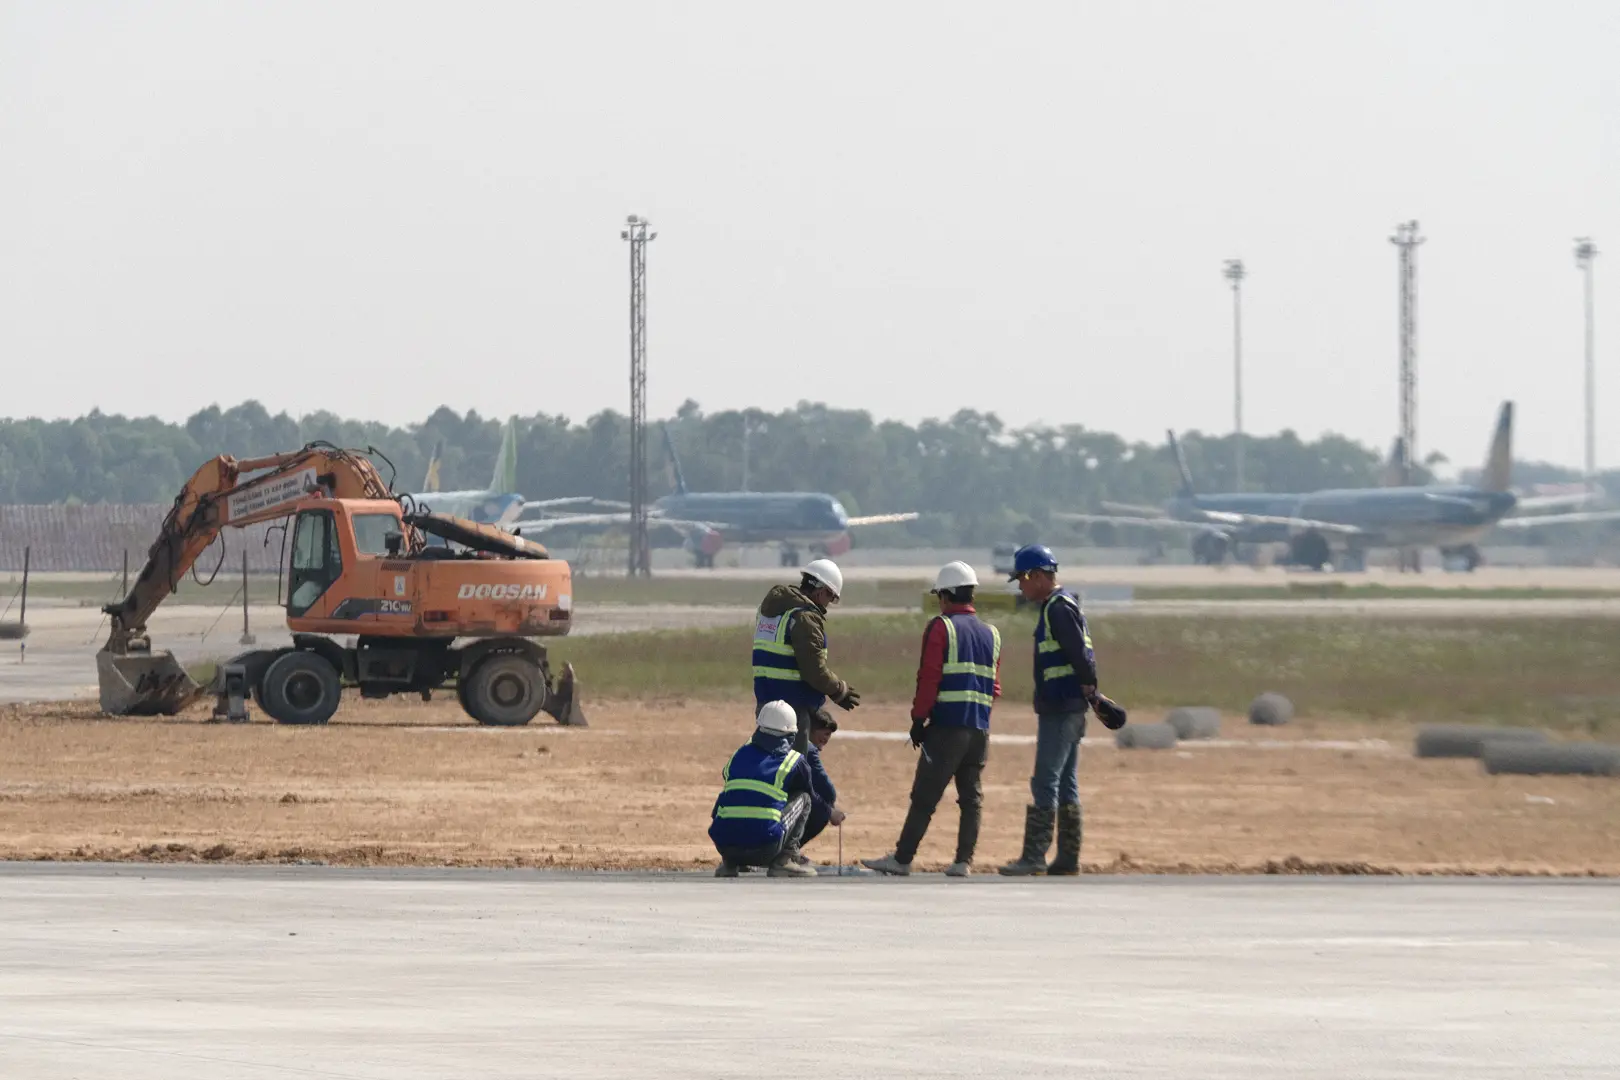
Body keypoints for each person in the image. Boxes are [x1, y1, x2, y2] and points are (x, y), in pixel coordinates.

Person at [862, 561, 1000, 878]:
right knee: (971, 798)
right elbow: (994, 687)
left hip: (947, 729)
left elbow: (929, 679)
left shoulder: (942, 627)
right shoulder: (992, 634)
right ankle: (963, 861)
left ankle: (902, 858)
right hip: (979, 729)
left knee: (925, 796)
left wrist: (918, 721)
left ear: (947, 595)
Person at [998, 544, 1124, 876]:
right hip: (1069, 706)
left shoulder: (1057, 609)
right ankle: (1067, 858)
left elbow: (1080, 656)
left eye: (1023, 579)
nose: (1021, 586)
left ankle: (1034, 857)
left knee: (1045, 780)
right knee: (1066, 782)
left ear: (1038, 576)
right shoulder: (1061, 605)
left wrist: (1089, 688)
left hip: (1061, 707)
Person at [751, 558, 861, 752]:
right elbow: (814, 670)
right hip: (792, 711)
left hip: (765, 706)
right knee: (792, 771)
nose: (828, 604)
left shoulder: (771, 612)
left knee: (772, 767)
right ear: (821, 591)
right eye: (831, 597)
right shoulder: (805, 618)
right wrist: (838, 690)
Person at [709, 700, 819, 878]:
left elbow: (727, 776)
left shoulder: (739, 754)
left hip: (725, 846)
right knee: (804, 798)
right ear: (791, 733)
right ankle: (785, 859)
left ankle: (729, 864)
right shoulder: (793, 761)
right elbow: (807, 791)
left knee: (732, 794)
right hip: (765, 849)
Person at [798, 709, 847, 861]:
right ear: (810, 730)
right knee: (823, 808)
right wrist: (829, 810)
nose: (826, 739)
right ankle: (786, 851)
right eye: (825, 734)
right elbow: (826, 789)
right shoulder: (809, 750)